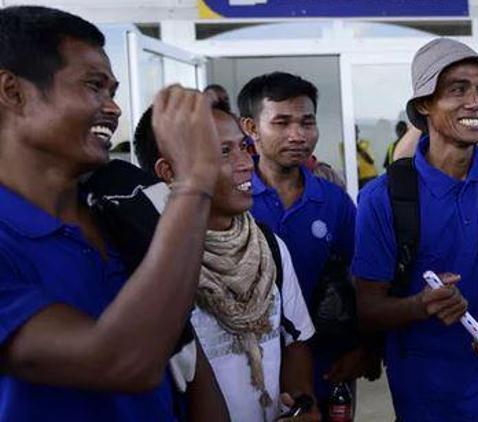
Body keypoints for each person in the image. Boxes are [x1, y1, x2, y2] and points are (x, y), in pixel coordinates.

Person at [0, 6, 228, 420]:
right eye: (94, 87)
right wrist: (193, 181)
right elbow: (121, 361)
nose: (114, 109)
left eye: (113, 91)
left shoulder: (122, 202)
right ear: (12, 92)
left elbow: (178, 347)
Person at [353, 37, 478, 421]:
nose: (475, 102)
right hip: (427, 399)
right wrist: (420, 305)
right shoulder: (384, 198)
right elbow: (368, 308)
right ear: (424, 104)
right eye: (457, 89)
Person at [134, 105, 319, 422]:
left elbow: (294, 339)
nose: (247, 163)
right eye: (222, 152)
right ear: (169, 172)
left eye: (244, 147)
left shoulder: (270, 248)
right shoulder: (150, 265)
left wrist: (300, 404)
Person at [237, 72, 370, 417]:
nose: (298, 135)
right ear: (250, 128)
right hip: (246, 371)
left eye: (306, 122)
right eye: (281, 122)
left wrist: (361, 346)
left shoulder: (334, 201)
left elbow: (361, 280)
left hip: (326, 367)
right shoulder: (231, 197)